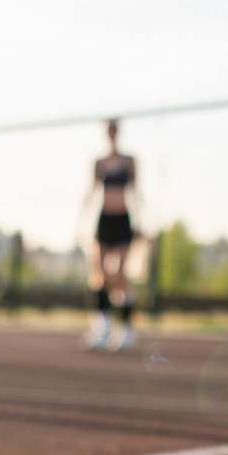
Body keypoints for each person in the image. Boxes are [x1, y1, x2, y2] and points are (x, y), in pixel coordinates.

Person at [85, 119, 139, 351]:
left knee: (120, 273)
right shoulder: (98, 162)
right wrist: (80, 225)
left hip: (123, 220)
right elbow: (90, 192)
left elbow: (136, 192)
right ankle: (102, 326)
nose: (111, 133)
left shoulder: (129, 161)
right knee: (99, 274)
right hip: (104, 220)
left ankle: (126, 328)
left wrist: (141, 221)